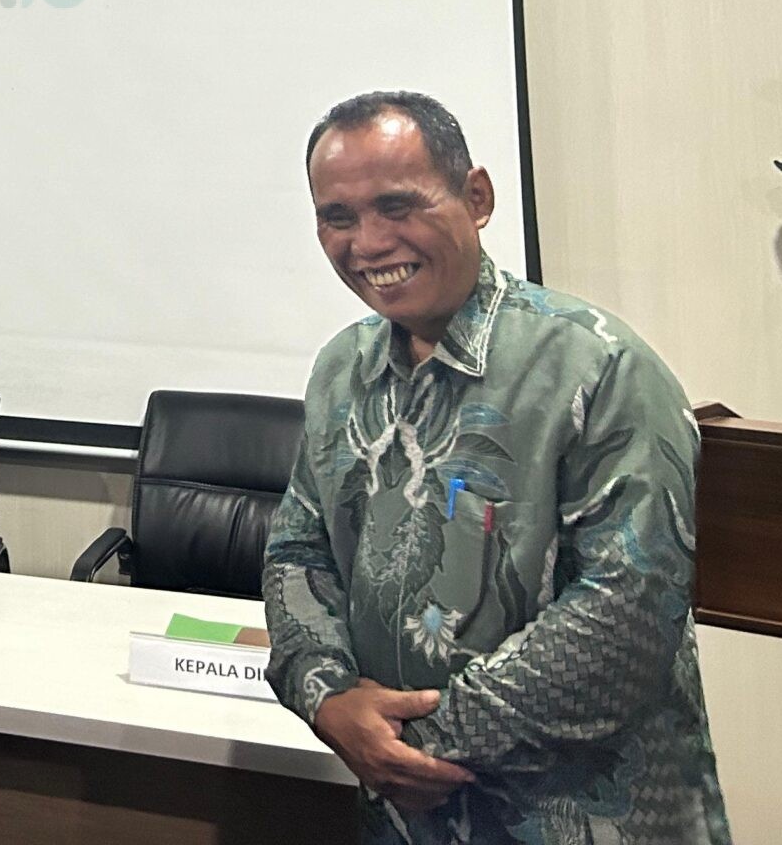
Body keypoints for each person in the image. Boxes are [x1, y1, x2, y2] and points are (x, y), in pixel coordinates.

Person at [266, 91, 729, 843]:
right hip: (402, 819)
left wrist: (408, 742)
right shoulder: (340, 371)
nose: (369, 243)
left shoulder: (597, 367)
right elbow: (298, 550)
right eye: (338, 218)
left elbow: (626, 615)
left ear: (476, 198)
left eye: (397, 206)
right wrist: (329, 699)